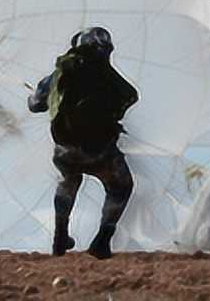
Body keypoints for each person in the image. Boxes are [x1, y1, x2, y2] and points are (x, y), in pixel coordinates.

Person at [28, 27, 138, 259]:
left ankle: (60, 235)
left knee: (68, 181)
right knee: (121, 187)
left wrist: (39, 94)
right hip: (100, 152)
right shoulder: (108, 75)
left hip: (66, 151)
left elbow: (36, 105)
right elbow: (131, 96)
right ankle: (102, 240)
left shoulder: (60, 75)